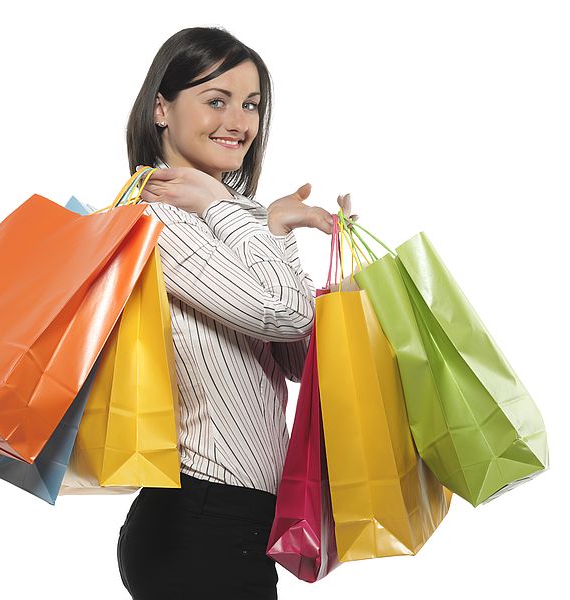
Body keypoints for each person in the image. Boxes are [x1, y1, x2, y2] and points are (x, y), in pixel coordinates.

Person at [117, 26, 354, 599]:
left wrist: (273, 228)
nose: (239, 121)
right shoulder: (157, 215)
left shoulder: (220, 214)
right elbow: (287, 315)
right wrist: (231, 210)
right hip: (197, 521)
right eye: (216, 100)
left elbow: (297, 357)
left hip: (236, 523)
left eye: (251, 104)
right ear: (161, 109)